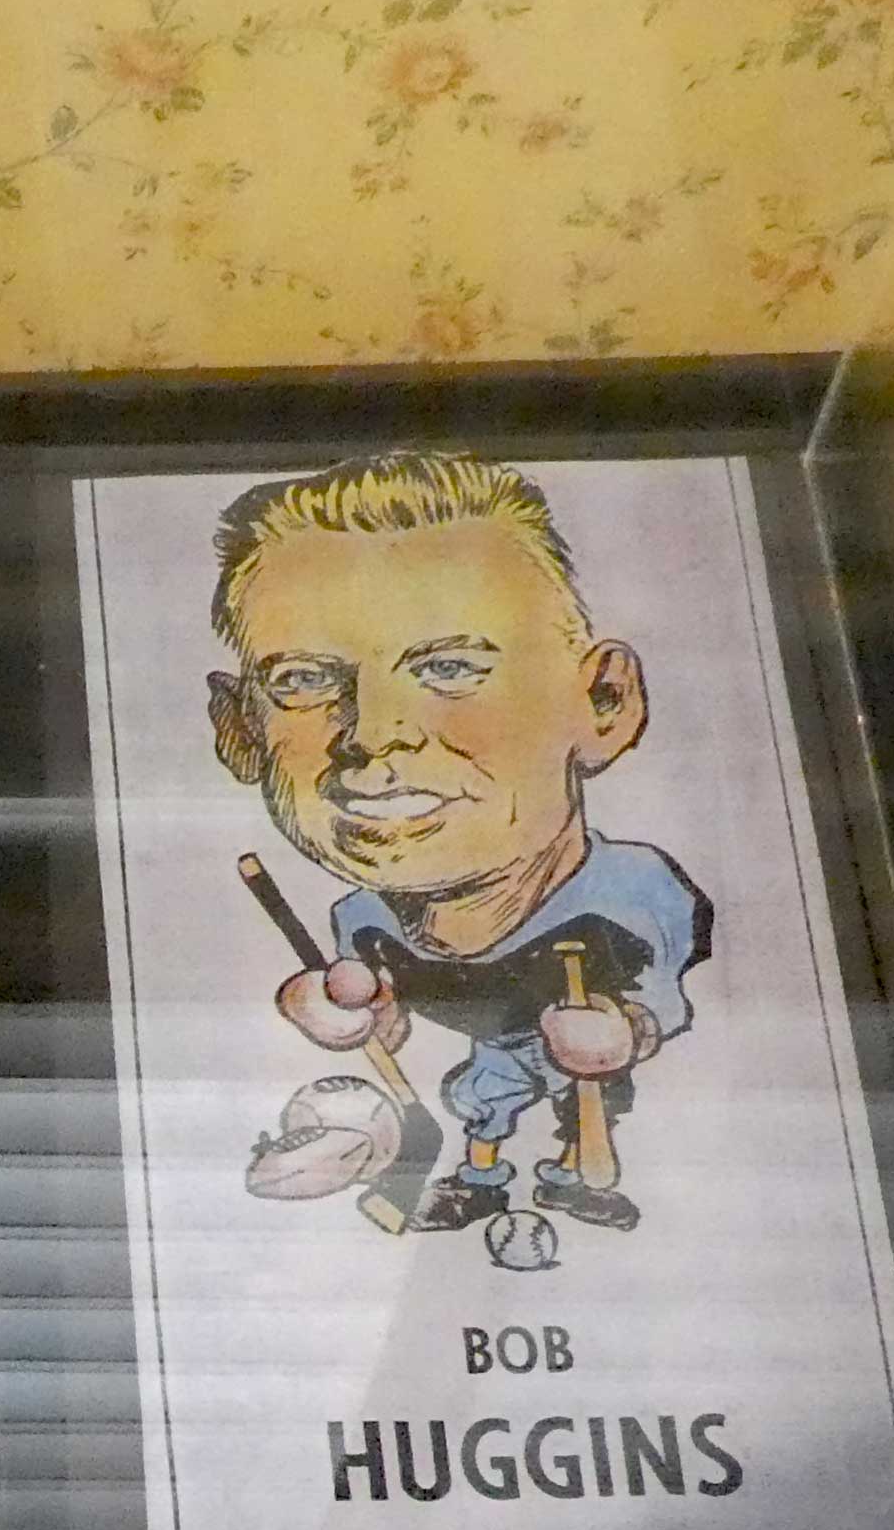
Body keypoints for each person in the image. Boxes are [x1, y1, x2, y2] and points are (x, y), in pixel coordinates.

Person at [204, 451, 704, 1258]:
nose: (371, 735)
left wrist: (627, 1029)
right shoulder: (361, 915)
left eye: (449, 667)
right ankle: (479, 1178)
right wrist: (350, 1013)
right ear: (240, 732)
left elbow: (662, 997)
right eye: (301, 679)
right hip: (499, 1052)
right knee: (483, 1097)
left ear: (603, 702)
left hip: (577, 1053)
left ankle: (577, 1174)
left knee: (586, 1108)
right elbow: (385, 1016)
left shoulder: (631, 893)